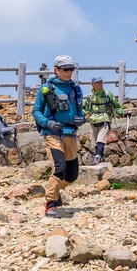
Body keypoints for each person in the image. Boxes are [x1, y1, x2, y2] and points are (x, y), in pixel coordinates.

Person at [33, 55, 85, 217]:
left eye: (71, 69)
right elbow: (36, 111)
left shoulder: (76, 90)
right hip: (53, 134)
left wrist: (82, 119)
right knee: (59, 168)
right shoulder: (46, 89)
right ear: (56, 70)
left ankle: (54, 191)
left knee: (72, 175)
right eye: (65, 69)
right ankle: (50, 203)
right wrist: (47, 123)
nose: (69, 72)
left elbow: (80, 112)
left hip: (70, 134)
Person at [83, 77, 122, 165]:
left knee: (101, 140)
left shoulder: (108, 94)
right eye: (97, 83)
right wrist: (81, 115)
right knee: (95, 143)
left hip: (105, 119)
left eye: (101, 82)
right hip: (93, 120)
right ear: (92, 85)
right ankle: (100, 157)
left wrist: (122, 112)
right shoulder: (90, 97)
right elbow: (85, 109)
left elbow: (117, 106)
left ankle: (98, 157)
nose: (100, 84)